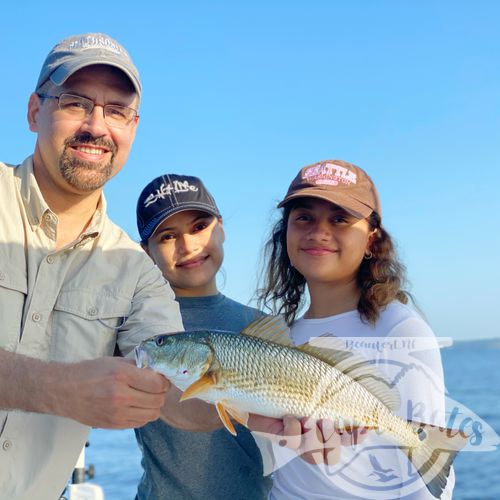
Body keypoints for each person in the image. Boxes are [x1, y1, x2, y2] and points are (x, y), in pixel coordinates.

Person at [0, 33, 184, 500]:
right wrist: (52, 388)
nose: (97, 127)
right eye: (76, 102)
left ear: (134, 128)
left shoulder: (138, 272)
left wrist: (269, 410)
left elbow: (179, 393)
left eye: (117, 110)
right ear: (33, 111)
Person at [257, 159, 454, 499]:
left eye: (339, 219)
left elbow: (431, 477)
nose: (318, 231)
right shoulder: (281, 334)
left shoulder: (400, 330)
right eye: (303, 217)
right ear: (284, 232)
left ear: (371, 241)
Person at [134, 173, 272, 499]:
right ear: (146, 251)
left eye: (199, 227)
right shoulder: (136, 328)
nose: (188, 246)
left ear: (220, 228)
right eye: (168, 237)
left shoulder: (262, 326)